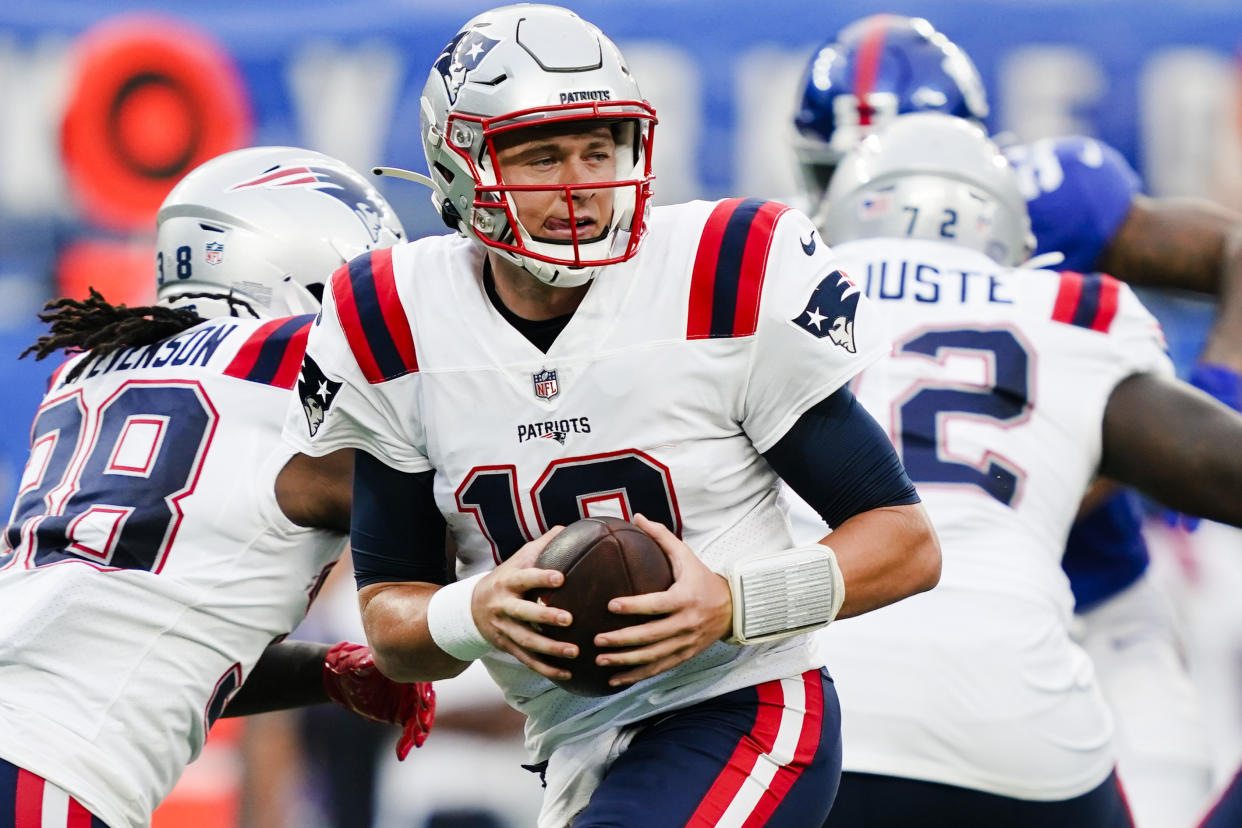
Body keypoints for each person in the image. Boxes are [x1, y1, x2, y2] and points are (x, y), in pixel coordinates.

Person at [282, 5, 941, 826]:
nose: (581, 184)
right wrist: (476, 608)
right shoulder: (394, 317)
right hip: (570, 742)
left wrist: (733, 603)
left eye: (601, 150)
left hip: (745, 706)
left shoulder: (717, 273)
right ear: (460, 165)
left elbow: (906, 544)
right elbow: (393, 622)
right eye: (542, 155)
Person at [790, 15, 1239, 824]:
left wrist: (1211, 400)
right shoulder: (782, 260)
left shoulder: (1055, 205)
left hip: (1088, 590)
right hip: (908, 604)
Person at [0, 145, 434, 828]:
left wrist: (324, 672)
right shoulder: (293, 378)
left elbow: (152, 639)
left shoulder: (91, 370)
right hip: (48, 768)